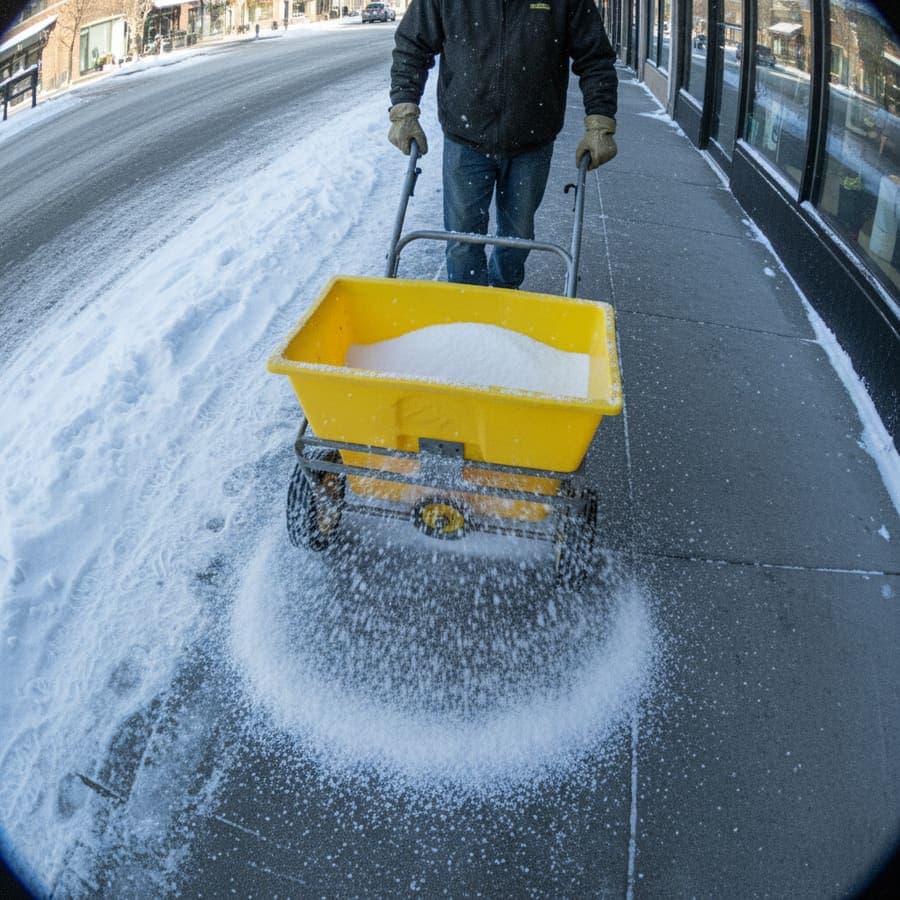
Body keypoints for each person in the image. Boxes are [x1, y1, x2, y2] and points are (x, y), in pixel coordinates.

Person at [388, 0, 618, 289]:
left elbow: (595, 57)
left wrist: (600, 118)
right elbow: (412, 45)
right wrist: (404, 108)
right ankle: (467, 309)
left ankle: (503, 298)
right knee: (462, 240)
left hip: (531, 141)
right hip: (465, 138)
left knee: (517, 240)